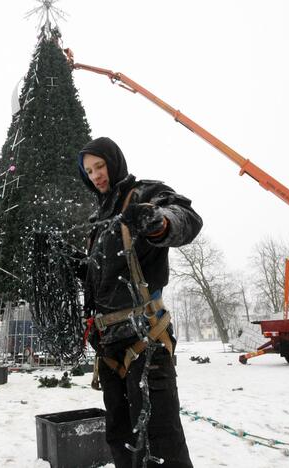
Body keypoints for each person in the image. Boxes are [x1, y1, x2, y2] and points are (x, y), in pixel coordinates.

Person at [78, 137, 201, 468]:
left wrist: (159, 223)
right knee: (121, 439)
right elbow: (101, 283)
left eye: (100, 166)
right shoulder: (98, 222)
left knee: (161, 441)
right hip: (109, 346)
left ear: (114, 161)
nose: (96, 175)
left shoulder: (145, 195)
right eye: (89, 171)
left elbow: (186, 218)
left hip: (145, 339)